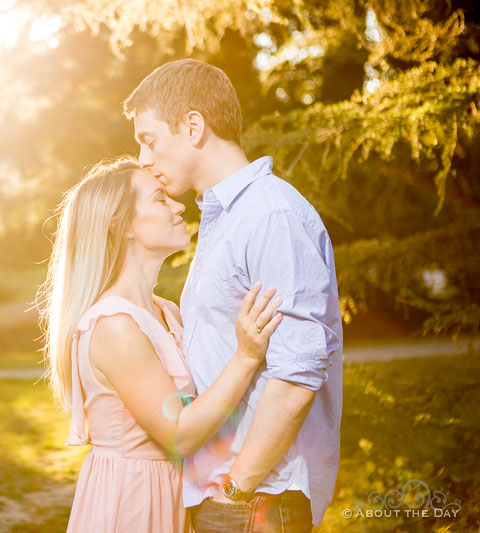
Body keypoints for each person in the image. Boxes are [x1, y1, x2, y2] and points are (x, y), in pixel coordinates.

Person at [123, 58, 343, 532]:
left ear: (194, 126)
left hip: (256, 501)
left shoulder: (269, 215)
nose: (144, 159)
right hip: (227, 496)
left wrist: (235, 489)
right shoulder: (225, 219)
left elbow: (299, 370)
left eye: (150, 140)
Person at [38, 156, 284, 532]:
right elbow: (180, 435)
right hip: (130, 502)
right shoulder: (114, 326)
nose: (179, 205)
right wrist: (247, 356)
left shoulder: (164, 311)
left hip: (169, 495)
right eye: (159, 199)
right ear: (121, 226)